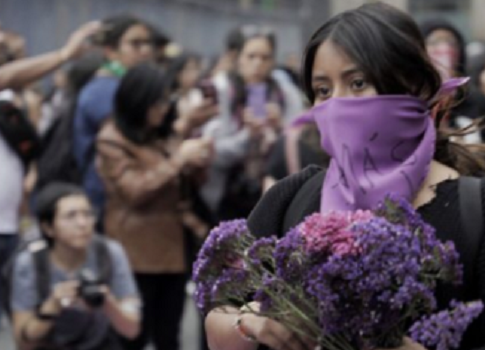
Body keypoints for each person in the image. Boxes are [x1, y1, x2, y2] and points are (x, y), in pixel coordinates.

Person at [205, 3, 485, 350]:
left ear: (411, 85)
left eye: (357, 83)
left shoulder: (474, 210)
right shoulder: (292, 197)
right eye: (323, 90)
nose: (337, 104)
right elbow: (217, 321)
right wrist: (249, 324)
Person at [96, 64, 212, 350]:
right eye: (156, 101)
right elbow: (133, 191)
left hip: (174, 245)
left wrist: (197, 162)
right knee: (134, 335)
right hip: (136, 249)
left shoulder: (162, 132)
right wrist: (178, 161)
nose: (163, 108)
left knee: (169, 333)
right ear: (138, 100)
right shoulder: (112, 138)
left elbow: (183, 184)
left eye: (166, 100)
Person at [10, 182, 140, 350]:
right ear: (48, 227)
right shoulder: (30, 263)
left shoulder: (109, 252)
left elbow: (132, 330)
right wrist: (51, 307)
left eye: (88, 214)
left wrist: (108, 303)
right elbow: (24, 343)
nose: (82, 223)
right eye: (70, 216)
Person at [201, 25, 303, 222]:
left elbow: (300, 146)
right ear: (237, 58)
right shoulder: (222, 91)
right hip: (226, 195)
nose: (258, 64)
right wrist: (246, 136)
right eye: (251, 56)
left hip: (272, 193)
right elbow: (214, 154)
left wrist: (280, 127)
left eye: (265, 57)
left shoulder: (285, 93)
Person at [73, 14, 155, 219]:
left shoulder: (124, 86)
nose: (145, 51)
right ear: (110, 51)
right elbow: (127, 141)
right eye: (135, 44)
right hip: (105, 202)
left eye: (147, 43)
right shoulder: (104, 90)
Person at [421, 19, 485, 143]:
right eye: (434, 42)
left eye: (451, 42)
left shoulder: (475, 100)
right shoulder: (412, 97)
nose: (445, 49)